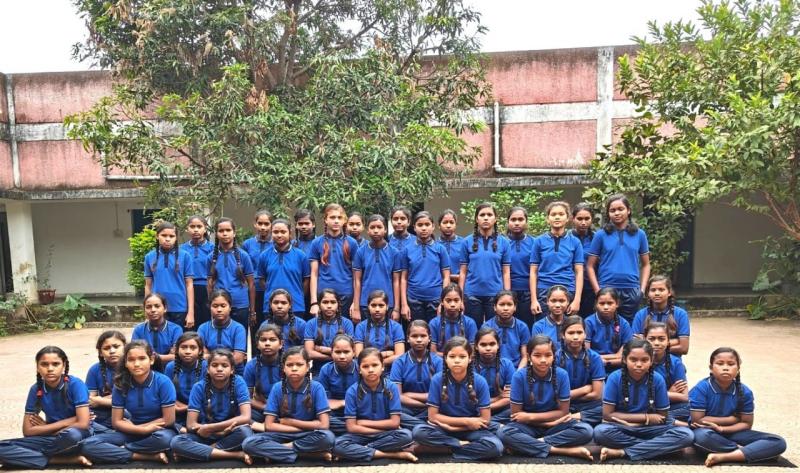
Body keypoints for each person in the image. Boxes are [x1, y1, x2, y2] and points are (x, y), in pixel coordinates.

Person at [593, 339, 694, 462]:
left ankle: (624, 452)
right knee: (600, 432)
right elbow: (607, 415)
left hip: (650, 428)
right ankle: (657, 448)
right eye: (633, 360)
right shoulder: (615, 378)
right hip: (622, 426)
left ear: (651, 361)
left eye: (644, 360)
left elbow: (662, 417)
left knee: (686, 435)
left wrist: (646, 422)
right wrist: (646, 417)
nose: (639, 364)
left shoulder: (658, 380)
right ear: (624, 360)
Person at [496, 335, 594, 460]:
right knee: (503, 433)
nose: (543, 360)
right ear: (529, 357)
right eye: (537, 355)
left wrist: (535, 418)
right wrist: (545, 421)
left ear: (554, 356)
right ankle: (561, 450)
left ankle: (532, 444)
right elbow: (516, 415)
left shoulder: (562, 375)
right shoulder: (519, 376)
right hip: (528, 426)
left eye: (548, 355)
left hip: (555, 425)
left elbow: (563, 412)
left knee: (586, 430)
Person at [81, 341, 177, 465]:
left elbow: (168, 420)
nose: (136, 364)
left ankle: (123, 449)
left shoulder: (163, 382)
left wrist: (143, 429)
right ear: (125, 362)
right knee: (88, 444)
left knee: (165, 440)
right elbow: (116, 422)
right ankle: (143, 455)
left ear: (151, 359)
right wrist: (140, 430)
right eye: (131, 360)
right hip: (131, 431)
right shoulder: (121, 384)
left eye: (142, 358)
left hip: (159, 431)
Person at [410, 336, 504, 460]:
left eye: (462, 357)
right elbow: (433, 416)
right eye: (452, 356)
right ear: (445, 358)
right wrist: (463, 423)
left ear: (470, 358)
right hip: (445, 428)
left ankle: (444, 449)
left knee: (496, 447)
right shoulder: (437, 380)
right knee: (419, 432)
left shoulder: (480, 381)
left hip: (472, 430)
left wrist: (466, 425)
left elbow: (485, 419)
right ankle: (459, 445)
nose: (457, 361)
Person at [690, 347, 787, 467]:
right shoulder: (701, 388)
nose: (725, 367)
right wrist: (732, 419)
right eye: (720, 363)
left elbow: (746, 424)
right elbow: (698, 420)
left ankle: (723, 456)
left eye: (731, 364)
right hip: (706, 432)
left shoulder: (745, 392)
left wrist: (722, 429)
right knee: (700, 437)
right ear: (711, 368)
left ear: (738, 368)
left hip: (733, 432)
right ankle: (747, 451)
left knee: (778, 442)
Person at [0, 346, 92, 469]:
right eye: (44, 364)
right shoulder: (36, 389)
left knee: (71, 435)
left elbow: (83, 424)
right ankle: (58, 460)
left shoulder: (76, 385)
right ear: (37, 367)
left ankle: (30, 457)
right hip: (51, 439)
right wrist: (65, 423)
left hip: (75, 436)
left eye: (55, 364)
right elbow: (27, 431)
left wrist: (47, 428)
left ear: (64, 365)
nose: (50, 369)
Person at [242, 347, 335, 463]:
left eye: (299, 365)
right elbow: (269, 425)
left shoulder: (316, 387)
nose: (294, 368)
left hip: (307, 434)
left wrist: (290, 422)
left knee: (328, 438)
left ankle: (283, 449)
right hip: (282, 433)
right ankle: (307, 454)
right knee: (248, 443)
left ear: (307, 367)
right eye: (290, 365)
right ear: (284, 368)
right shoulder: (277, 388)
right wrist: (295, 428)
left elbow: (324, 424)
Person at [332, 348, 418, 463]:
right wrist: (378, 430)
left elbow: (394, 423)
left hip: (383, 434)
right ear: (359, 369)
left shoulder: (391, 387)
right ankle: (395, 454)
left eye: (375, 365)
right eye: (365, 366)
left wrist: (362, 422)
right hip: (362, 434)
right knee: (337, 444)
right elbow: (351, 427)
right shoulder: (352, 391)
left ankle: (360, 451)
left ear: (382, 367)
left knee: (406, 435)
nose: (371, 370)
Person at [169, 349, 254, 463]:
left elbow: (245, 417)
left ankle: (202, 452)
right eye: (214, 365)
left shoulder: (239, 382)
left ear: (232, 370)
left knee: (245, 433)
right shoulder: (199, 387)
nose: (219, 369)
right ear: (208, 369)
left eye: (224, 365)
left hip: (230, 432)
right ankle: (235, 455)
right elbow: (190, 425)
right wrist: (211, 431)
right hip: (205, 434)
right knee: (176, 442)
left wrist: (213, 428)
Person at [586, 194, 651, 322]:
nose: (617, 213)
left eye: (620, 209)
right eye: (612, 210)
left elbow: (646, 264)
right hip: (607, 289)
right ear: (608, 213)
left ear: (628, 210)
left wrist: (642, 290)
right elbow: (590, 265)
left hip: (631, 289)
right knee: (606, 326)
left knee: (629, 328)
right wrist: (598, 290)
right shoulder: (600, 235)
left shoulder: (639, 234)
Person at [256, 218, 310, 344]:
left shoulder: (300, 255)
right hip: (271, 308)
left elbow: (306, 280)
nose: (279, 235)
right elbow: (262, 280)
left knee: (293, 342)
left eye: (283, 232)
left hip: (296, 306)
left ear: (290, 233)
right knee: (271, 341)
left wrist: (298, 295)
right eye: (275, 232)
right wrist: (272, 293)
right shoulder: (264, 255)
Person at [530, 202, 584, 320]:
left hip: (568, 289)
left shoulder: (575, 242)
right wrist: (534, 300)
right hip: (544, 290)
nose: (557, 217)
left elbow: (579, 272)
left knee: (567, 327)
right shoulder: (539, 241)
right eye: (553, 214)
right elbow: (533, 272)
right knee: (544, 327)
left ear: (568, 218)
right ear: (547, 218)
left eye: (561, 214)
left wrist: (577, 300)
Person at [459, 203, 511, 326]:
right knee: (473, 330)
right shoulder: (466, 242)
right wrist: (460, 297)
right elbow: (463, 272)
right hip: (472, 295)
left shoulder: (504, 243)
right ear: (477, 219)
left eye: (489, 215)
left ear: (495, 218)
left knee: (494, 331)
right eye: (482, 215)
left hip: (495, 295)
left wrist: (507, 295)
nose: (486, 218)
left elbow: (506, 272)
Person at [206, 217, 256, 338]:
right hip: (219, 305)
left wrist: (252, 310)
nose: (225, 233)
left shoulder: (244, 256)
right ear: (216, 234)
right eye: (221, 231)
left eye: (228, 230)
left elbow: (251, 284)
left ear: (234, 233)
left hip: (240, 305)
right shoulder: (211, 257)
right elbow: (209, 284)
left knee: (240, 338)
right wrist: (212, 305)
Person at [389, 320, 443, 429]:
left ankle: (415, 429)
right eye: (414, 336)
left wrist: (409, 394)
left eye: (423, 336)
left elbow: (440, 395)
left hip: (430, 409)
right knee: (389, 410)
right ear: (408, 338)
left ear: (429, 338)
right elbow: (397, 396)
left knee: (443, 410)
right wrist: (424, 404)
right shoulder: (399, 362)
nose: (419, 339)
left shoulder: (438, 361)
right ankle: (426, 428)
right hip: (406, 408)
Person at [309, 204, 358, 319]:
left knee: (344, 328)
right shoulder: (316, 243)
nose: (336, 221)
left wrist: (355, 302)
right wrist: (314, 302)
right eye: (332, 217)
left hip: (346, 295)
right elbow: (314, 274)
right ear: (325, 220)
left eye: (339, 218)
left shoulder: (352, 243)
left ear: (344, 220)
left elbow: (356, 276)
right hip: (323, 295)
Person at [400, 211, 450, 323]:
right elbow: (403, 279)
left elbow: (446, 277)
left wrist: (443, 301)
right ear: (414, 227)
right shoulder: (407, 250)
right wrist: (404, 304)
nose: (423, 228)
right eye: (420, 225)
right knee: (416, 331)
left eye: (427, 225)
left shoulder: (440, 249)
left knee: (434, 331)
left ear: (433, 227)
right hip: (413, 300)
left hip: (436, 299)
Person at [144, 221, 194, 330]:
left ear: (176, 238)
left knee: (178, 338)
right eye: (164, 235)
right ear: (157, 236)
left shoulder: (185, 256)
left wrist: (191, 312)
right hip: (157, 307)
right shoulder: (149, 257)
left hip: (179, 307)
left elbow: (189, 284)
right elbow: (148, 285)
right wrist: (146, 312)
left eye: (171, 236)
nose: (167, 239)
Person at [352, 214, 401, 324]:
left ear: (385, 230)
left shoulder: (394, 252)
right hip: (365, 303)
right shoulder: (360, 252)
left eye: (379, 227)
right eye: (372, 227)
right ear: (367, 230)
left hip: (388, 304)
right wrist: (356, 308)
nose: (376, 230)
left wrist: (397, 308)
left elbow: (396, 281)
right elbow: (357, 281)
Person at [555, 316, 604, 426]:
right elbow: (555, 395)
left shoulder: (594, 358)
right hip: (563, 405)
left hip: (588, 405)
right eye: (571, 333)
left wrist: (569, 396)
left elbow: (596, 394)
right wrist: (584, 389)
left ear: (585, 334)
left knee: (607, 408)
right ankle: (578, 420)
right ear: (562, 335)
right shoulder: (556, 358)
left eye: (579, 332)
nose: (576, 337)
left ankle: (573, 418)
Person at [632, 275, 690, 356]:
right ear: (648, 293)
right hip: (647, 360)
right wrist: (675, 341)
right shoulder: (640, 315)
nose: (657, 293)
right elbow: (636, 345)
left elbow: (684, 348)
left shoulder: (680, 314)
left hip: (672, 360)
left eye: (661, 290)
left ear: (669, 292)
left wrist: (646, 341)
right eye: (653, 290)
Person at [644, 323, 689, 424]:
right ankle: (668, 421)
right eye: (651, 339)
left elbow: (684, 397)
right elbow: (641, 395)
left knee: (693, 406)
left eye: (661, 339)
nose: (656, 343)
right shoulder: (639, 362)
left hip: (669, 406)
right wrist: (667, 392)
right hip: (643, 406)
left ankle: (658, 419)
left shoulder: (676, 363)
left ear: (668, 341)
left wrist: (659, 394)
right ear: (644, 340)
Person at [315, 334, 359, 435]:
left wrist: (340, 403)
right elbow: (324, 402)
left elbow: (365, 401)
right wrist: (343, 402)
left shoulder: (360, 368)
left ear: (354, 352)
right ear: (331, 352)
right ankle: (355, 430)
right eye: (338, 352)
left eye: (346, 352)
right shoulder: (326, 370)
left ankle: (352, 430)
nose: (342, 356)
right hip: (334, 415)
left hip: (358, 413)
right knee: (320, 418)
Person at [303, 288, 355, 373]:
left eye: (333, 302)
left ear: (338, 305)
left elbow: (351, 351)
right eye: (325, 302)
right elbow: (309, 353)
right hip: (318, 371)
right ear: (319, 304)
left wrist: (320, 349)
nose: (329, 306)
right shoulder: (311, 324)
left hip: (342, 370)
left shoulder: (347, 323)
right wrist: (334, 357)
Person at [196, 290, 247, 376]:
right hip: (208, 373)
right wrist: (230, 354)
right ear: (210, 307)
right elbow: (200, 356)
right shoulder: (203, 328)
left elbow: (238, 358)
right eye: (215, 306)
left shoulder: (238, 328)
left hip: (234, 374)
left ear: (230, 307)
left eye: (223, 306)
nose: (219, 310)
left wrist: (210, 355)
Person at [163, 331, 206, 430]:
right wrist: (186, 408)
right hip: (178, 414)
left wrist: (191, 408)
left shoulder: (206, 367)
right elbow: (167, 396)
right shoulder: (170, 367)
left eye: (193, 348)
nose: (187, 351)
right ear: (177, 349)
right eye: (183, 347)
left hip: (201, 414)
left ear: (200, 351)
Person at [584, 288, 633, 374]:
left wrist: (606, 361)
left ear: (617, 304)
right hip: (593, 367)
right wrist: (615, 356)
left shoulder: (624, 324)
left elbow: (624, 356)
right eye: (602, 303)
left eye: (610, 303)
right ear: (596, 304)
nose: (606, 307)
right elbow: (587, 354)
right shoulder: (588, 323)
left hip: (618, 368)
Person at [86, 330, 126, 432]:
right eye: (106, 348)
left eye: (116, 346)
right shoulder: (95, 370)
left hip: (125, 412)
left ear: (125, 347)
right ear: (100, 352)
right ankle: (109, 433)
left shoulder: (132, 367)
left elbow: (129, 402)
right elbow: (90, 401)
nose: (112, 351)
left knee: (127, 412)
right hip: (103, 413)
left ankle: (105, 434)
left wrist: (100, 400)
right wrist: (111, 400)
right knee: (85, 416)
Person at [473, 327, 515, 423]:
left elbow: (509, 397)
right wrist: (498, 398)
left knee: (514, 411)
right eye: (483, 345)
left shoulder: (507, 364)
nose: (488, 348)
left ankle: (488, 422)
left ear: (498, 345)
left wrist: (486, 407)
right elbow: (472, 401)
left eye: (492, 344)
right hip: (476, 411)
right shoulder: (469, 367)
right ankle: (492, 424)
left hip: (501, 410)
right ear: (476, 346)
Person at [131, 293, 182, 371]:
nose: (153, 310)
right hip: (145, 370)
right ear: (144, 310)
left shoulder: (176, 329)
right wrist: (166, 356)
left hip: (169, 370)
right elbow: (135, 354)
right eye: (148, 307)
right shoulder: (139, 330)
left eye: (157, 306)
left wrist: (149, 356)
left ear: (165, 308)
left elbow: (177, 356)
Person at [354, 290, 405, 367]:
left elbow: (400, 356)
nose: (377, 309)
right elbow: (359, 356)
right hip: (367, 368)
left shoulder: (396, 327)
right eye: (373, 305)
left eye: (381, 305)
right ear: (368, 307)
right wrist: (386, 354)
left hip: (390, 369)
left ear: (387, 307)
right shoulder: (360, 327)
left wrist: (378, 364)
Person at [244, 325, 283, 423]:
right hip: (262, 408)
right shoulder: (251, 365)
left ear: (281, 344)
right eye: (263, 340)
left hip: (285, 409)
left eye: (272, 340)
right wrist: (266, 408)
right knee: (242, 414)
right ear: (257, 344)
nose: (267, 343)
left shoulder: (288, 363)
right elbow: (246, 398)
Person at [482, 290, 530, 368]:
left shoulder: (522, 327)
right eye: (501, 304)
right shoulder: (487, 327)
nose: (505, 308)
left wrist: (517, 373)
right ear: (495, 307)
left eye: (509, 304)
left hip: (516, 368)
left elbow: (525, 357)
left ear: (515, 307)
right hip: (493, 368)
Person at [506, 207, 536, 328]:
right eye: (513, 220)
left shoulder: (535, 243)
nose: (517, 223)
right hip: (507, 291)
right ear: (508, 222)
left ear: (526, 221)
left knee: (526, 326)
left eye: (520, 219)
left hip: (528, 292)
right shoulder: (501, 243)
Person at [242, 210, 274, 325]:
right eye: (260, 223)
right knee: (254, 323)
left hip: (270, 289)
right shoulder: (247, 244)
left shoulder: (276, 243)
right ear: (255, 224)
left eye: (266, 224)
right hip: (253, 290)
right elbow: (243, 268)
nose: (263, 227)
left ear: (271, 225)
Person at [182, 216, 214, 327]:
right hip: (187, 289)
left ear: (205, 228)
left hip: (207, 288)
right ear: (187, 229)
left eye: (199, 226)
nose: (196, 230)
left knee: (206, 322)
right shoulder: (181, 249)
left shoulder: (213, 248)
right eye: (192, 227)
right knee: (189, 323)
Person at [429, 283, 477, 355]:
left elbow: (472, 352)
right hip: (440, 360)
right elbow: (433, 352)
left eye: (456, 300)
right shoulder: (434, 323)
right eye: (448, 300)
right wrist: (451, 357)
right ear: (442, 302)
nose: (452, 304)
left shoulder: (470, 323)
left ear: (461, 301)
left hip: (463, 360)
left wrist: (457, 357)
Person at [571, 203, 597, 318]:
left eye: (587, 219)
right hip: (571, 287)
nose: (583, 222)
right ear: (573, 219)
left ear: (592, 219)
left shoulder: (596, 238)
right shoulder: (566, 237)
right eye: (579, 218)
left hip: (591, 287)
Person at [437, 209, 463, 284]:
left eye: (451, 222)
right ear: (439, 225)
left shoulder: (464, 243)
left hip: (460, 284)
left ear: (456, 225)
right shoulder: (435, 245)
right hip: (439, 285)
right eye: (445, 222)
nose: (448, 226)